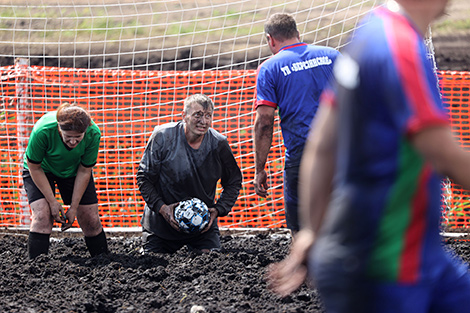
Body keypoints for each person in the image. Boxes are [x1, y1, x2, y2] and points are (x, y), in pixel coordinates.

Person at [267, 0, 470, 312]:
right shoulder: (401, 50)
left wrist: (312, 229)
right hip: (382, 264)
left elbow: (322, 144)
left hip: (420, 253)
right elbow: (444, 156)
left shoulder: (372, 29)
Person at [253, 13, 340, 232]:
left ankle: (306, 263)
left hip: (304, 153)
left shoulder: (270, 68)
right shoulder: (332, 55)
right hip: (344, 146)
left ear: (270, 39)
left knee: (301, 225)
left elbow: (264, 121)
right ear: (297, 33)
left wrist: (260, 168)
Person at [137, 94, 242, 254]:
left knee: (212, 264)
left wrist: (219, 209)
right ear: (184, 116)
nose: (203, 121)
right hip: (161, 225)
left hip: (202, 226)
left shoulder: (218, 143)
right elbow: (144, 178)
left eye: (208, 116)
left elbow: (233, 180)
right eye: (198, 115)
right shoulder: (163, 137)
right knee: (152, 265)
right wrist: (162, 208)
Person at [23, 102, 108, 259]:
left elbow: (84, 170)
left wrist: (73, 208)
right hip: (42, 169)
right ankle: (36, 266)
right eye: (68, 137)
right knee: (43, 215)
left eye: (78, 137)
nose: (73, 142)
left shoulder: (93, 134)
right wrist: (53, 202)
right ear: (59, 129)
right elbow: (34, 167)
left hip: (75, 171)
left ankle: (103, 263)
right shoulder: (43, 130)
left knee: (90, 217)